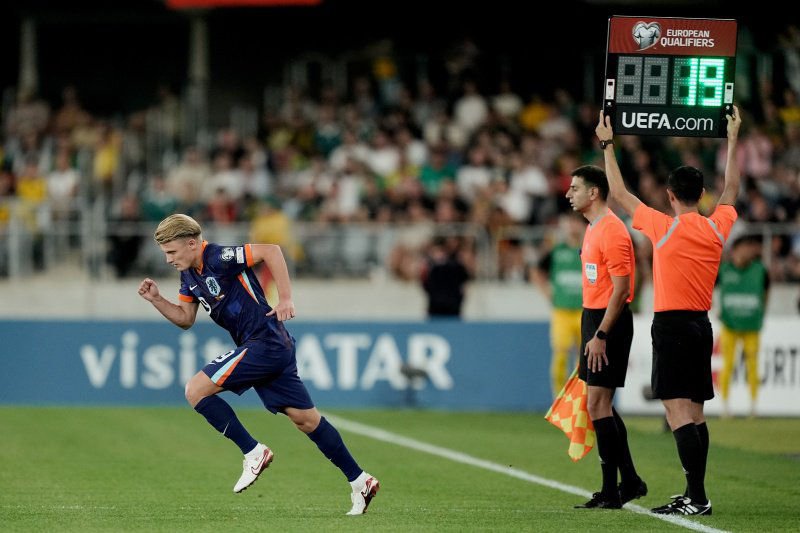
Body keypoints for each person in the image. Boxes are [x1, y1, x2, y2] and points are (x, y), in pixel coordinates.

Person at [137, 214, 379, 515]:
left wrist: (286, 298)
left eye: (172, 252)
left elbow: (271, 251)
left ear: (192, 243)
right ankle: (360, 481)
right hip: (271, 346)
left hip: (265, 341)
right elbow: (185, 319)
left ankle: (253, 452)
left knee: (195, 390)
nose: (168, 259)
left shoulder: (220, 256)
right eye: (165, 254)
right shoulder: (189, 275)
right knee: (306, 420)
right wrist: (157, 300)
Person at [596, 105, 742, 516]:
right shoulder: (717, 226)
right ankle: (696, 494)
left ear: (670, 196)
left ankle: (696, 497)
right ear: (702, 196)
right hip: (700, 324)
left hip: (673, 324)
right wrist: (732, 140)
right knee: (694, 411)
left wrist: (607, 145)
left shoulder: (665, 226)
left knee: (677, 410)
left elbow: (621, 195)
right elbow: (731, 190)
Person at [566, 165, 647, 510]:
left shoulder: (612, 231)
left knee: (598, 404)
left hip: (607, 323)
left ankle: (614, 488)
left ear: (593, 193)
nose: (568, 194)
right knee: (598, 405)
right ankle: (626, 482)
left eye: (575, 188)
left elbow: (622, 290)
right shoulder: (593, 228)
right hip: (593, 317)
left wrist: (600, 334)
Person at [532, 213, 585, 397]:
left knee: (583, 360)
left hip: (583, 311)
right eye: (570, 222)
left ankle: (581, 400)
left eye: (576, 222)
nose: (572, 227)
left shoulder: (589, 248)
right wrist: (548, 293)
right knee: (560, 355)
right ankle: (559, 397)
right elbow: (536, 271)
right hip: (561, 311)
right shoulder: (557, 251)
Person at [718, 235, 770, 418]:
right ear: (736, 250)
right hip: (729, 325)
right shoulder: (724, 270)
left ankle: (753, 406)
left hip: (751, 325)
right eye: (746, 247)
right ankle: (724, 406)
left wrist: (761, 313)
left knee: (753, 366)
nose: (749, 251)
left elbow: (766, 291)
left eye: (751, 247)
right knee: (728, 365)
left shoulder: (760, 270)